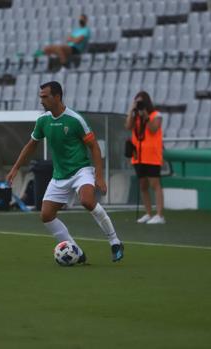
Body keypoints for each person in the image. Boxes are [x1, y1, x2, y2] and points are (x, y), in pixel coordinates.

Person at [7, 81, 124, 263]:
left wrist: (99, 176)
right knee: (46, 215)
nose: (41, 101)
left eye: (45, 97)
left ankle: (115, 241)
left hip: (81, 170)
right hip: (60, 175)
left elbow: (94, 147)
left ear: (57, 97)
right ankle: (75, 250)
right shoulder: (43, 121)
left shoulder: (75, 120)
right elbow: (30, 146)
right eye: (40, 97)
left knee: (87, 200)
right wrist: (15, 168)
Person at [125, 91, 165, 224]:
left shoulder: (156, 115)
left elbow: (153, 129)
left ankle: (159, 215)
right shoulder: (135, 117)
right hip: (138, 157)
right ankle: (148, 213)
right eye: (137, 102)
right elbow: (127, 126)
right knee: (143, 185)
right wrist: (132, 111)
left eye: (141, 102)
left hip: (152, 156)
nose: (139, 105)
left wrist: (145, 116)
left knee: (155, 184)